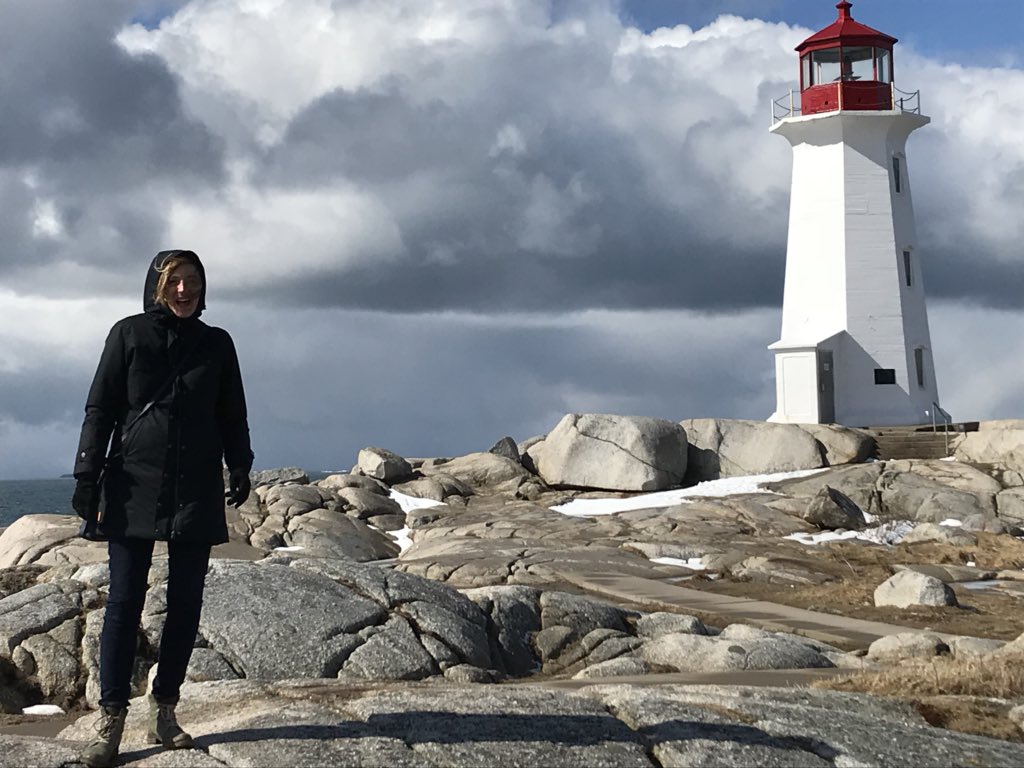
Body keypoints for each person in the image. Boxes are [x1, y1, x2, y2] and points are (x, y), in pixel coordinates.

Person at [71, 250, 253, 768]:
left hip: (195, 487)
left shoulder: (217, 344)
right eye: (174, 282)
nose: (183, 291)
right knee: (125, 602)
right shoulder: (127, 334)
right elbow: (100, 406)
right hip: (133, 483)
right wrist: (86, 472)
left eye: (192, 282)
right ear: (156, 285)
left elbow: (232, 411)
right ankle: (110, 719)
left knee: (186, 605)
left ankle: (165, 708)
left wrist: (240, 465)